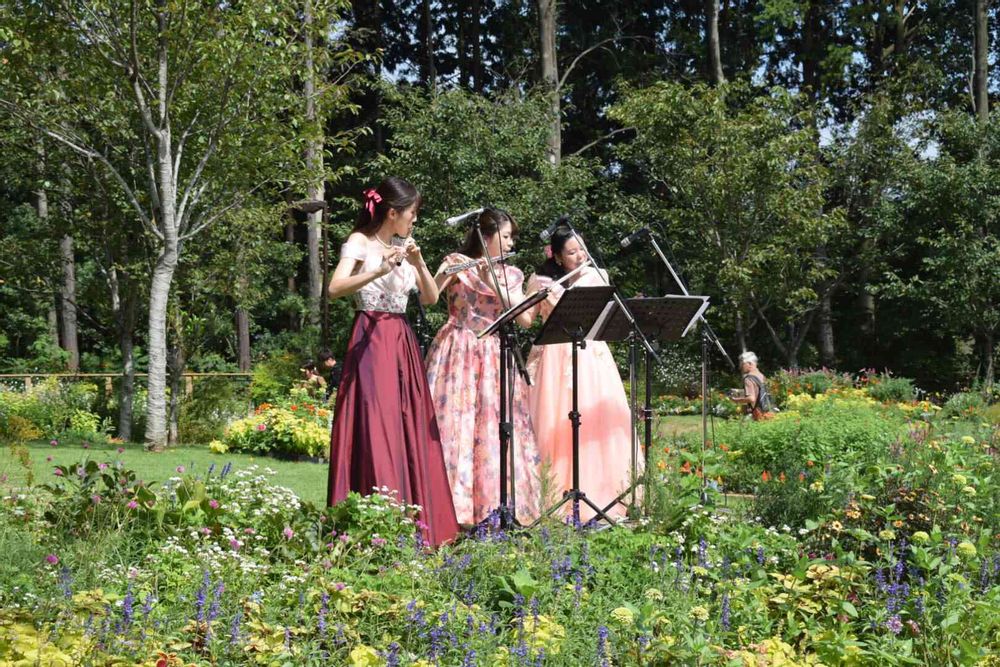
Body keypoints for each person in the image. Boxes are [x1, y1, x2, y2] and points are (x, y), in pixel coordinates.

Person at [325, 177, 458, 546]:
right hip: (370, 339)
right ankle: (378, 524)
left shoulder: (406, 246)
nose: (415, 220)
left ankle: (414, 524)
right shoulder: (360, 242)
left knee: (407, 426)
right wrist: (378, 270)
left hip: (401, 342)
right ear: (393, 212)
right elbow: (335, 288)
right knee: (376, 426)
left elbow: (430, 299)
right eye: (412, 213)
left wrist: (418, 261)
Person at [424, 208, 541, 526]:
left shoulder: (510, 274)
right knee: (455, 425)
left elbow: (526, 320)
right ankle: (449, 507)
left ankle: (493, 507)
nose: (510, 242)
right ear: (485, 237)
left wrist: (493, 279)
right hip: (457, 350)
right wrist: (448, 271)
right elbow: (427, 297)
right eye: (505, 236)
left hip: (494, 353)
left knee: (492, 427)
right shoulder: (455, 262)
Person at [523, 226, 634, 521]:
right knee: (554, 423)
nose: (579, 255)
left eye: (581, 249)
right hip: (554, 357)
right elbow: (525, 319)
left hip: (590, 357)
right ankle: (553, 494)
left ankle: (604, 494)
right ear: (557, 257)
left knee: (596, 422)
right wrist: (530, 293)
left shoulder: (596, 275)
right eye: (571, 252)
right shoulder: (541, 279)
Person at [733, 351, 775, 421]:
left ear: (750, 364)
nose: (740, 366)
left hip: (757, 415)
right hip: (768, 413)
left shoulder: (748, 379)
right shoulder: (761, 375)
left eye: (742, 364)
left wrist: (737, 400)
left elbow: (751, 398)